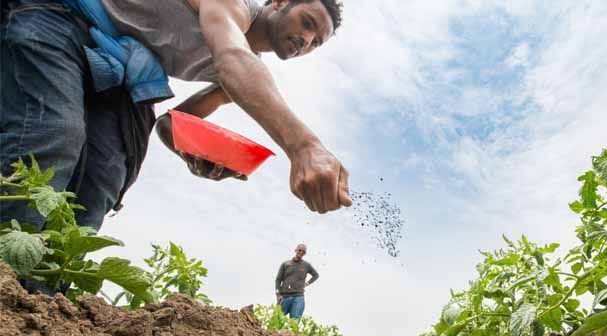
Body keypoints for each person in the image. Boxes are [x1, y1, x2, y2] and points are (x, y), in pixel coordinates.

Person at [1, 0, 351, 233]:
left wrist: (196, 154)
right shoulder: (234, 7)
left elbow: (173, 123)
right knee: (52, 137)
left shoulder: (240, 72)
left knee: (103, 177)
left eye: (316, 42)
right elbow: (231, 56)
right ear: (278, 2)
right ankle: (8, 274)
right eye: (307, 23)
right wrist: (304, 146)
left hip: (118, 69)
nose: (305, 39)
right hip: (61, 18)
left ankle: (41, 298)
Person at [275, 243, 318, 319]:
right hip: (285, 296)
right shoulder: (285, 264)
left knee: (294, 322)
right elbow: (278, 280)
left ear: (305, 253)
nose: (301, 252)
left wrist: (307, 283)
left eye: (303, 251)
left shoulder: (306, 265)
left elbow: (316, 275)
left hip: (298, 297)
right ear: (296, 250)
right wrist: (278, 295)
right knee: (276, 320)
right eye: (300, 250)